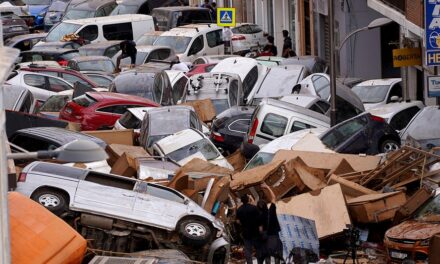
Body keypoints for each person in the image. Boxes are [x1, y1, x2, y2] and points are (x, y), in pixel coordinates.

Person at [236, 194, 265, 264]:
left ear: (242, 201)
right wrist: (260, 228)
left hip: (246, 233)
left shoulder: (239, 210)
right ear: (248, 200)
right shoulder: (254, 208)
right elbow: (259, 219)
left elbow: (237, 221)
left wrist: (242, 224)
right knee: (258, 249)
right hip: (255, 232)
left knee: (248, 250)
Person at [261, 183, 283, 264]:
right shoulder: (271, 210)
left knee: (267, 255)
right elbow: (273, 198)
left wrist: (250, 199)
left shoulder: (259, 215)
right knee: (277, 254)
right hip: (275, 236)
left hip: (267, 238)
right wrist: (267, 187)